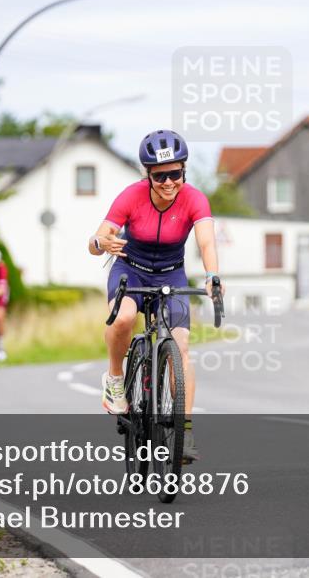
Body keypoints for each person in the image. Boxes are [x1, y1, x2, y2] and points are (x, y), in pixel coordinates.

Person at [88, 129, 222, 463]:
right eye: (159, 176)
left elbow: (206, 241)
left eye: (175, 174)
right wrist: (100, 243)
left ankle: (184, 432)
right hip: (130, 270)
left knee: (182, 347)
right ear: (147, 174)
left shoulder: (194, 198)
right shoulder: (131, 197)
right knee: (124, 318)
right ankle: (116, 379)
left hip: (172, 274)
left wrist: (212, 276)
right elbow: (96, 241)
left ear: (184, 171)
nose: (168, 182)